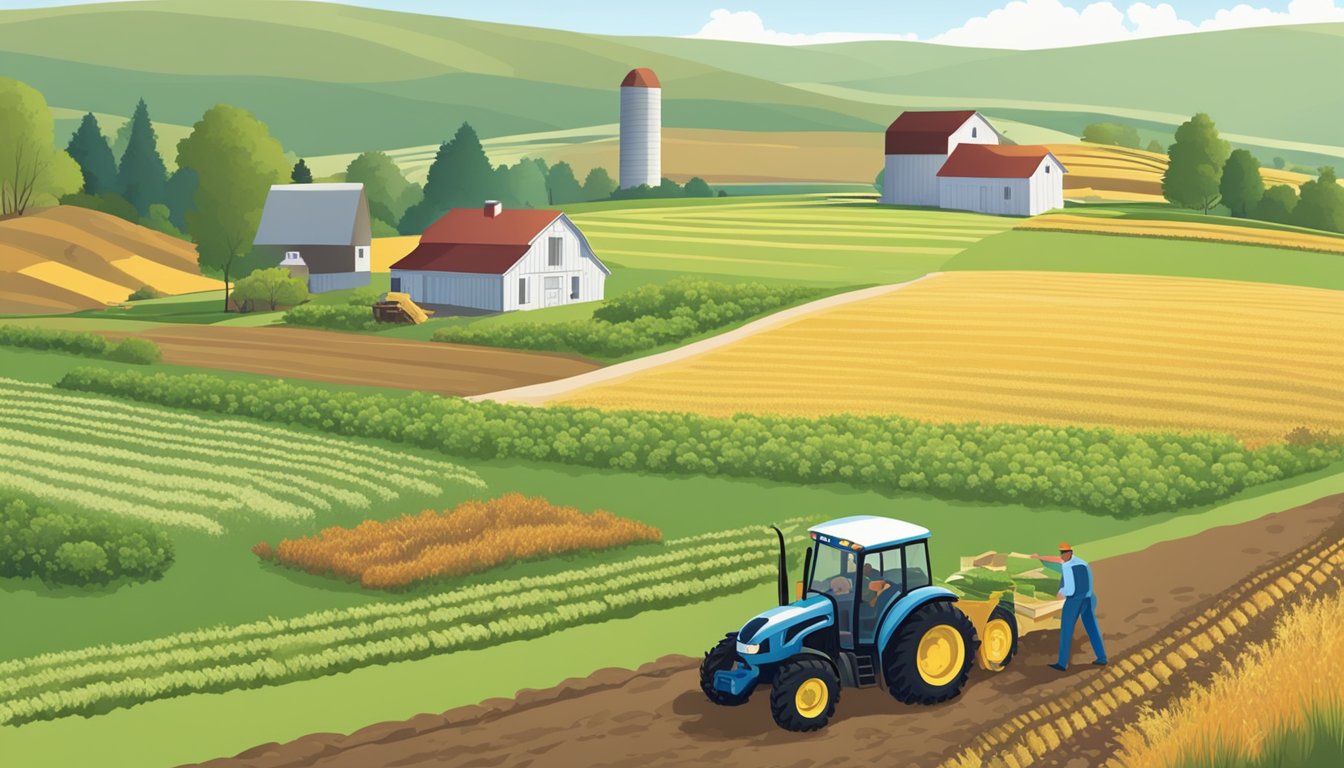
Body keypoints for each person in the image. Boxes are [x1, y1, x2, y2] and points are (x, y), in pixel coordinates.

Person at [1033, 542, 1107, 671]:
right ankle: (1102, 657)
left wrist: (1062, 593)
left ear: (1069, 553)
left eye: (1063, 553)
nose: (1061, 555)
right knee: (1092, 628)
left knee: (1066, 630)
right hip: (1087, 598)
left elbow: (1071, 589)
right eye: (1061, 553)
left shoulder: (1067, 567)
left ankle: (1062, 663)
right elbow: (1057, 560)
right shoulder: (1081, 562)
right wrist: (1039, 557)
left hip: (1074, 600)